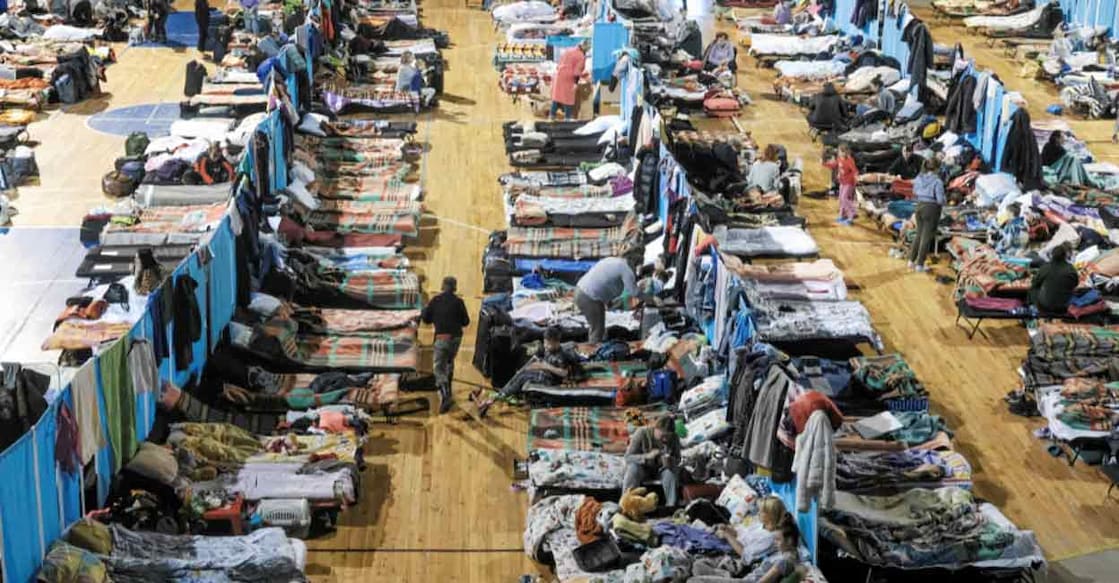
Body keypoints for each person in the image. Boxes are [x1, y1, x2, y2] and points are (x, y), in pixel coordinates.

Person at [476, 327, 582, 417]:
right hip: (541, 371)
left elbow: (564, 373)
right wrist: (524, 368)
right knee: (520, 375)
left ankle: (497, 397)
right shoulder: (546, 348)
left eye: (548, 344)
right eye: (545, 342)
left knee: (522, 378)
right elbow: (534, 359)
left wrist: (545, 366)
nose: (546, 345)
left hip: (550, 379)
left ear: (556, 342)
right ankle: (500, 394)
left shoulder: (561, 356)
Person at [421, 276, 470, 414]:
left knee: (438, 368)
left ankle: (445, 395)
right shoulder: (459, 301)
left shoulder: (436, 300)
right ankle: (449, 389)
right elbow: (466, 322)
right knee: (449, 361)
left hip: (442, 338)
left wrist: (427, 310)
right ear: (455, 288)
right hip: (456, 339)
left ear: (442, 286)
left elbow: (426, 319)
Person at [574, 256, 638, 343]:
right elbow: (634, 292)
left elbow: (605, 283)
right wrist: (652, 299)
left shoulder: (612, 261)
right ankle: (595, 352)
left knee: (599, 327)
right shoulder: (624, 268)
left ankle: (599, 347)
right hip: (589, 296)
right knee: (597, 329)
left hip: (582, 290)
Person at [622, 416, 680, 507]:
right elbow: (627, 457)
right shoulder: (642, 433)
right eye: (662, 436)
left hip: (661, 470)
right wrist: (646, 457)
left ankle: (671, 507)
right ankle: (626, 503)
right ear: (655, 429)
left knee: (670, 473)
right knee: (633, 469)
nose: (664, 440)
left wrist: (671, 461)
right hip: (642, 468)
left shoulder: (674, 438)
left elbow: (678, 459)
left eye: (668, 437)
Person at [908, 158, 946, 272]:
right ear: (937, 168)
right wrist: (945, 199)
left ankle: (911, 260)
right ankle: (920, 264)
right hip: (931, 209)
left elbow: (914, 192)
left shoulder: (919, 178)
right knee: (926, 237)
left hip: (919, 206)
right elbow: (940, 200)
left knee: (919, 234)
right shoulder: (937, 181)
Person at [1030, 243, 1079, 314]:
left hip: (1045, 306)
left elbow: (1035, 282)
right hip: (1064, 306)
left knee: (1033, 289)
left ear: (1052, 255)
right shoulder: (1071, 269)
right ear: (1065, 256)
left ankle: (1035, 309)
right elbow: (1075, 283)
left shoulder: (1045, 268)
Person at [550, 39, 588, 120]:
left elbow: (559, 63)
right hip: (568, 78)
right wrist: (576, 83)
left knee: (556, 97)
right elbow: (577, 72)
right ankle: (567, 118)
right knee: (569, 98)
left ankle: (551, 116)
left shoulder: (568, 50)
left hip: (559, 75)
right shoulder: (581, 56)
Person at [823, 145, 858, 225]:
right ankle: (842, 215)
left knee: (844, 198)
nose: (839, 153)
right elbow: (834, 165)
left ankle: (851, 215)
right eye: (839, 151)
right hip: (842, 182)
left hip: (849, 183)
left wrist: (856, 179)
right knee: (841, 199)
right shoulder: (839, 159)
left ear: (846, 152)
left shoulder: (850, 161)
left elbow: (855, 171)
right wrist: (824, 164)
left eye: (841, 152)